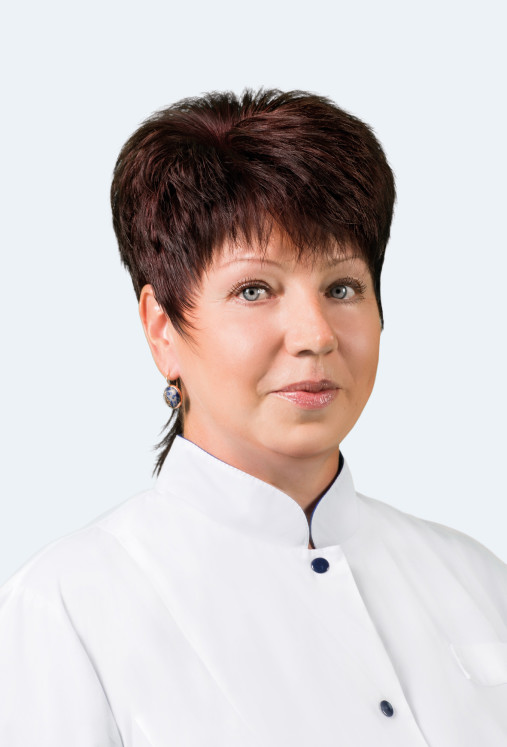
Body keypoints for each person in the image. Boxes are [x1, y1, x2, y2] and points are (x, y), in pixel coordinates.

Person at [0, 89, 506, 747]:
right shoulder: (69, 606)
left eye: (342, 287)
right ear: (162, 329)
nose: (315, 335)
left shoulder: (477, 579)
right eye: (254, 290)